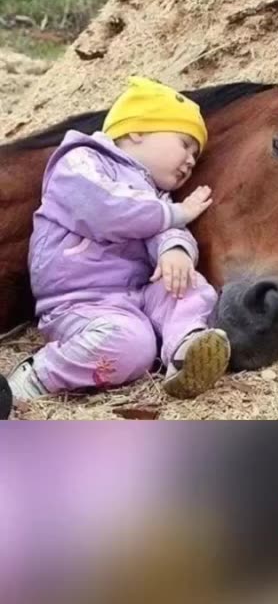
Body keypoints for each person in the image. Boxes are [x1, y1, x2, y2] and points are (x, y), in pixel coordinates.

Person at [7, 77, 230, 405]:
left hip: (136, 295)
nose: (191, 161)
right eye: (185, 143)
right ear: (137, 131)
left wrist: (175, 250)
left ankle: (186, 348)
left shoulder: (156, 197)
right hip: (81, 302)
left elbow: (163, 225)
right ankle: (38, 375)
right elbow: (108, 210)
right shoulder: (81, 161)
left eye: (196, 155)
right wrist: (178, 213)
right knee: (132, 347)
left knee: (186, 285)